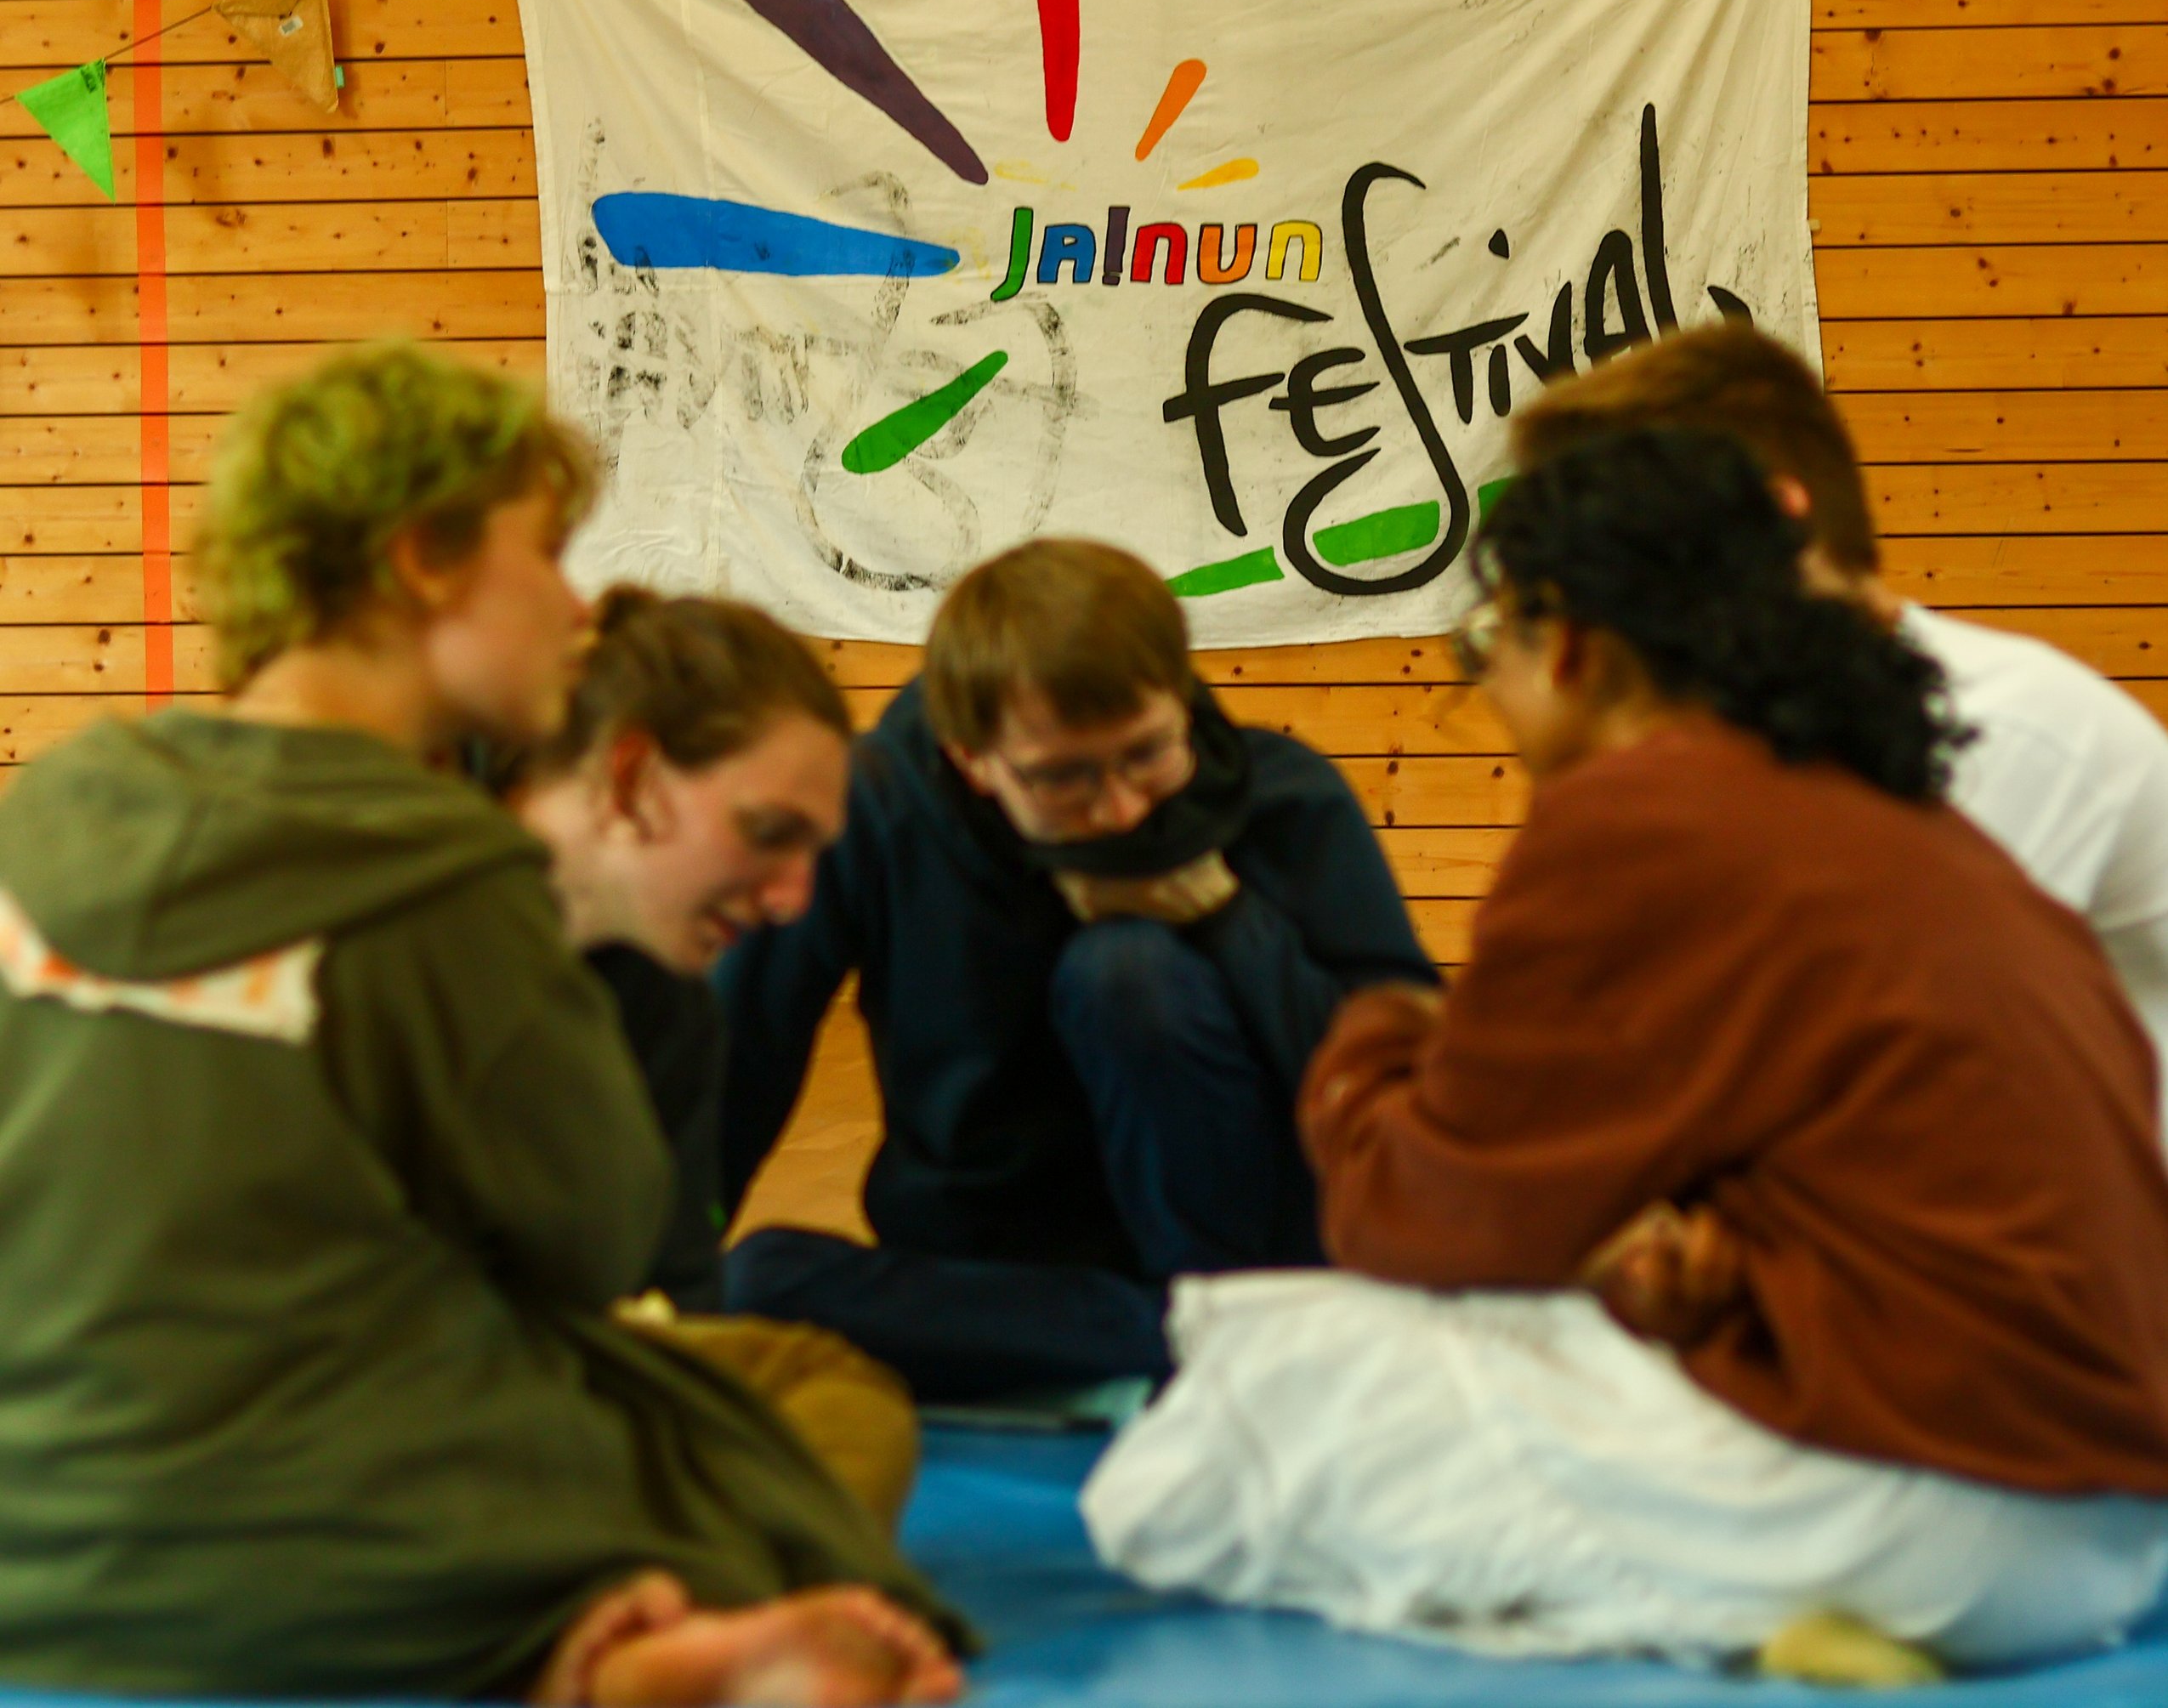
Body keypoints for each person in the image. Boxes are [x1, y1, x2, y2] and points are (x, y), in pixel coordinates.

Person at [1083, 428, 2168, 1673]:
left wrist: (1374, 1023)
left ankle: (1745, 1613)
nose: (1486, 686)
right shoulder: (1902, 810)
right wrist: (1724, 1259)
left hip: (1944, 1511)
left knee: (1221, 1432)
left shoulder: (1639, 812)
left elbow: (1411, 1217)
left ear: (1569, 645)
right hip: (2115, 1524)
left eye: (1485, 645)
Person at [0, 344, 962, 1706]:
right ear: (423, 560)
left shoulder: (51, 805)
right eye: (544, 555)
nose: (574, 607)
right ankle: (606, 1642)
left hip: (29, 1538)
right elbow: (589, 1238)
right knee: (805, 1388)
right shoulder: (450, 878)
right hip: (318, 1549)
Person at [716, 537, 1436, 1401]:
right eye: (1064, 778)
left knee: (1125, 969)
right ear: (970, 759)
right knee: (751, 1279)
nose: (1121, 809)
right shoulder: (877, 811)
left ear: (1179, 701)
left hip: (1247, 1259)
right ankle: (1202, 1345)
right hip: (1003, 1274)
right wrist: (638, 1289)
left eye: (1147, 754)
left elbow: (1417, 1090)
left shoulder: (1285, 797)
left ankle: (1221, 1329)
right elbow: (734, 1059)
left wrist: (1227, 919)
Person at [1512, 321, 2168, 1076]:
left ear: (1775, 520)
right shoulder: (1754, 739)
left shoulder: (1995, 730)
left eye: (1635, 558)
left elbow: (1846, 1064)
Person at [501, 587, 856, 1315]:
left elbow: (675, 1290)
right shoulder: (393, 951)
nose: (792, 900)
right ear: (634, 779)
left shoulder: (671, 1013)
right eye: (767, 833)